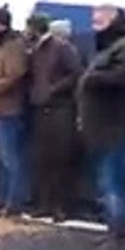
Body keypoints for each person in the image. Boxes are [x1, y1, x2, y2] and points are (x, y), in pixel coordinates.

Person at [78, 6, 125, 250]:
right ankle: (113, 231)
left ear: (113, 20)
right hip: (104, 126)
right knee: (107, 183)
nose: (94, 24)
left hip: (117, 126)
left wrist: (93, 77)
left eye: (99, 19)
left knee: (113, 183)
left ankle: (118, 235)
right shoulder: (110, 47)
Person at [26, 14, 82, 222]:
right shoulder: (36, 49)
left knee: (61, 159)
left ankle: (63, 206)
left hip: (61, 108)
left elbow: (76, 73)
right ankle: (45, 204)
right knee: (43, 159)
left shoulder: (61, 47)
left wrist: (53, 89)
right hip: (41, 109)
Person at [0, 5, 30, 218]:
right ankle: (4, 198)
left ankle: (14, 203)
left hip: (8, 109)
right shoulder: (2, 46)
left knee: (11, 159)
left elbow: (15, 75)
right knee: (3, 159)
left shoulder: (13, 47)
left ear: (0, 24)